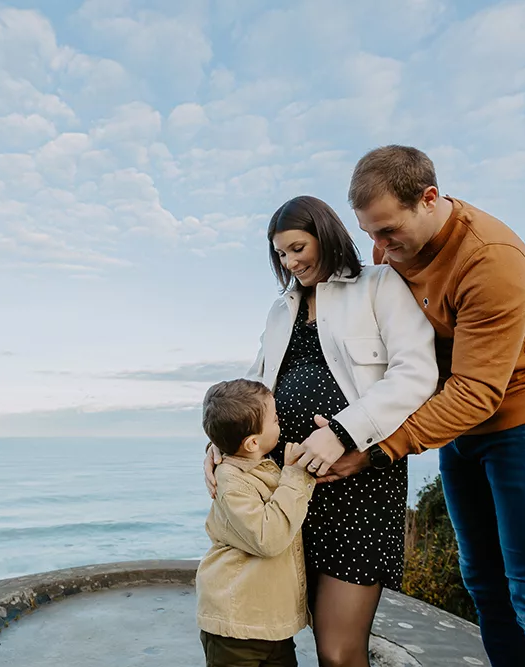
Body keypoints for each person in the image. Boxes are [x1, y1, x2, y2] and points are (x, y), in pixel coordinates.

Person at [325, 144, 525, 667]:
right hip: (460, 427)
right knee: (486, 589)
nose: (378, 248)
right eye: (370, 234)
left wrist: (378, 449)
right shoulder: (392, 250)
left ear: (429, 198)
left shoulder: (492, 258)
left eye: (387, 231)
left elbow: (478, 390)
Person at [203, 195, 439, 667]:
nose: (291, 262)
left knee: (338, 649)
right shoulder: (280, 309)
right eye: (281, 255)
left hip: (357, 485)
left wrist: (341, 432)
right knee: (279, 634)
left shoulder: (379, 284)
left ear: (324, 235)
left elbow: (416, 373)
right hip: (285, 488)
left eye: (297, 248)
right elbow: (254, 383)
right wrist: (219, 442)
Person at [196, 379, 313, 667]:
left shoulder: (259, 464)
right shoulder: (232, 483)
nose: (280, 421)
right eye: (274, 418)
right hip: (237, 627)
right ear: (252, 443)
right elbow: (269, 537)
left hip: (270, 625)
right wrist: (295, 475)